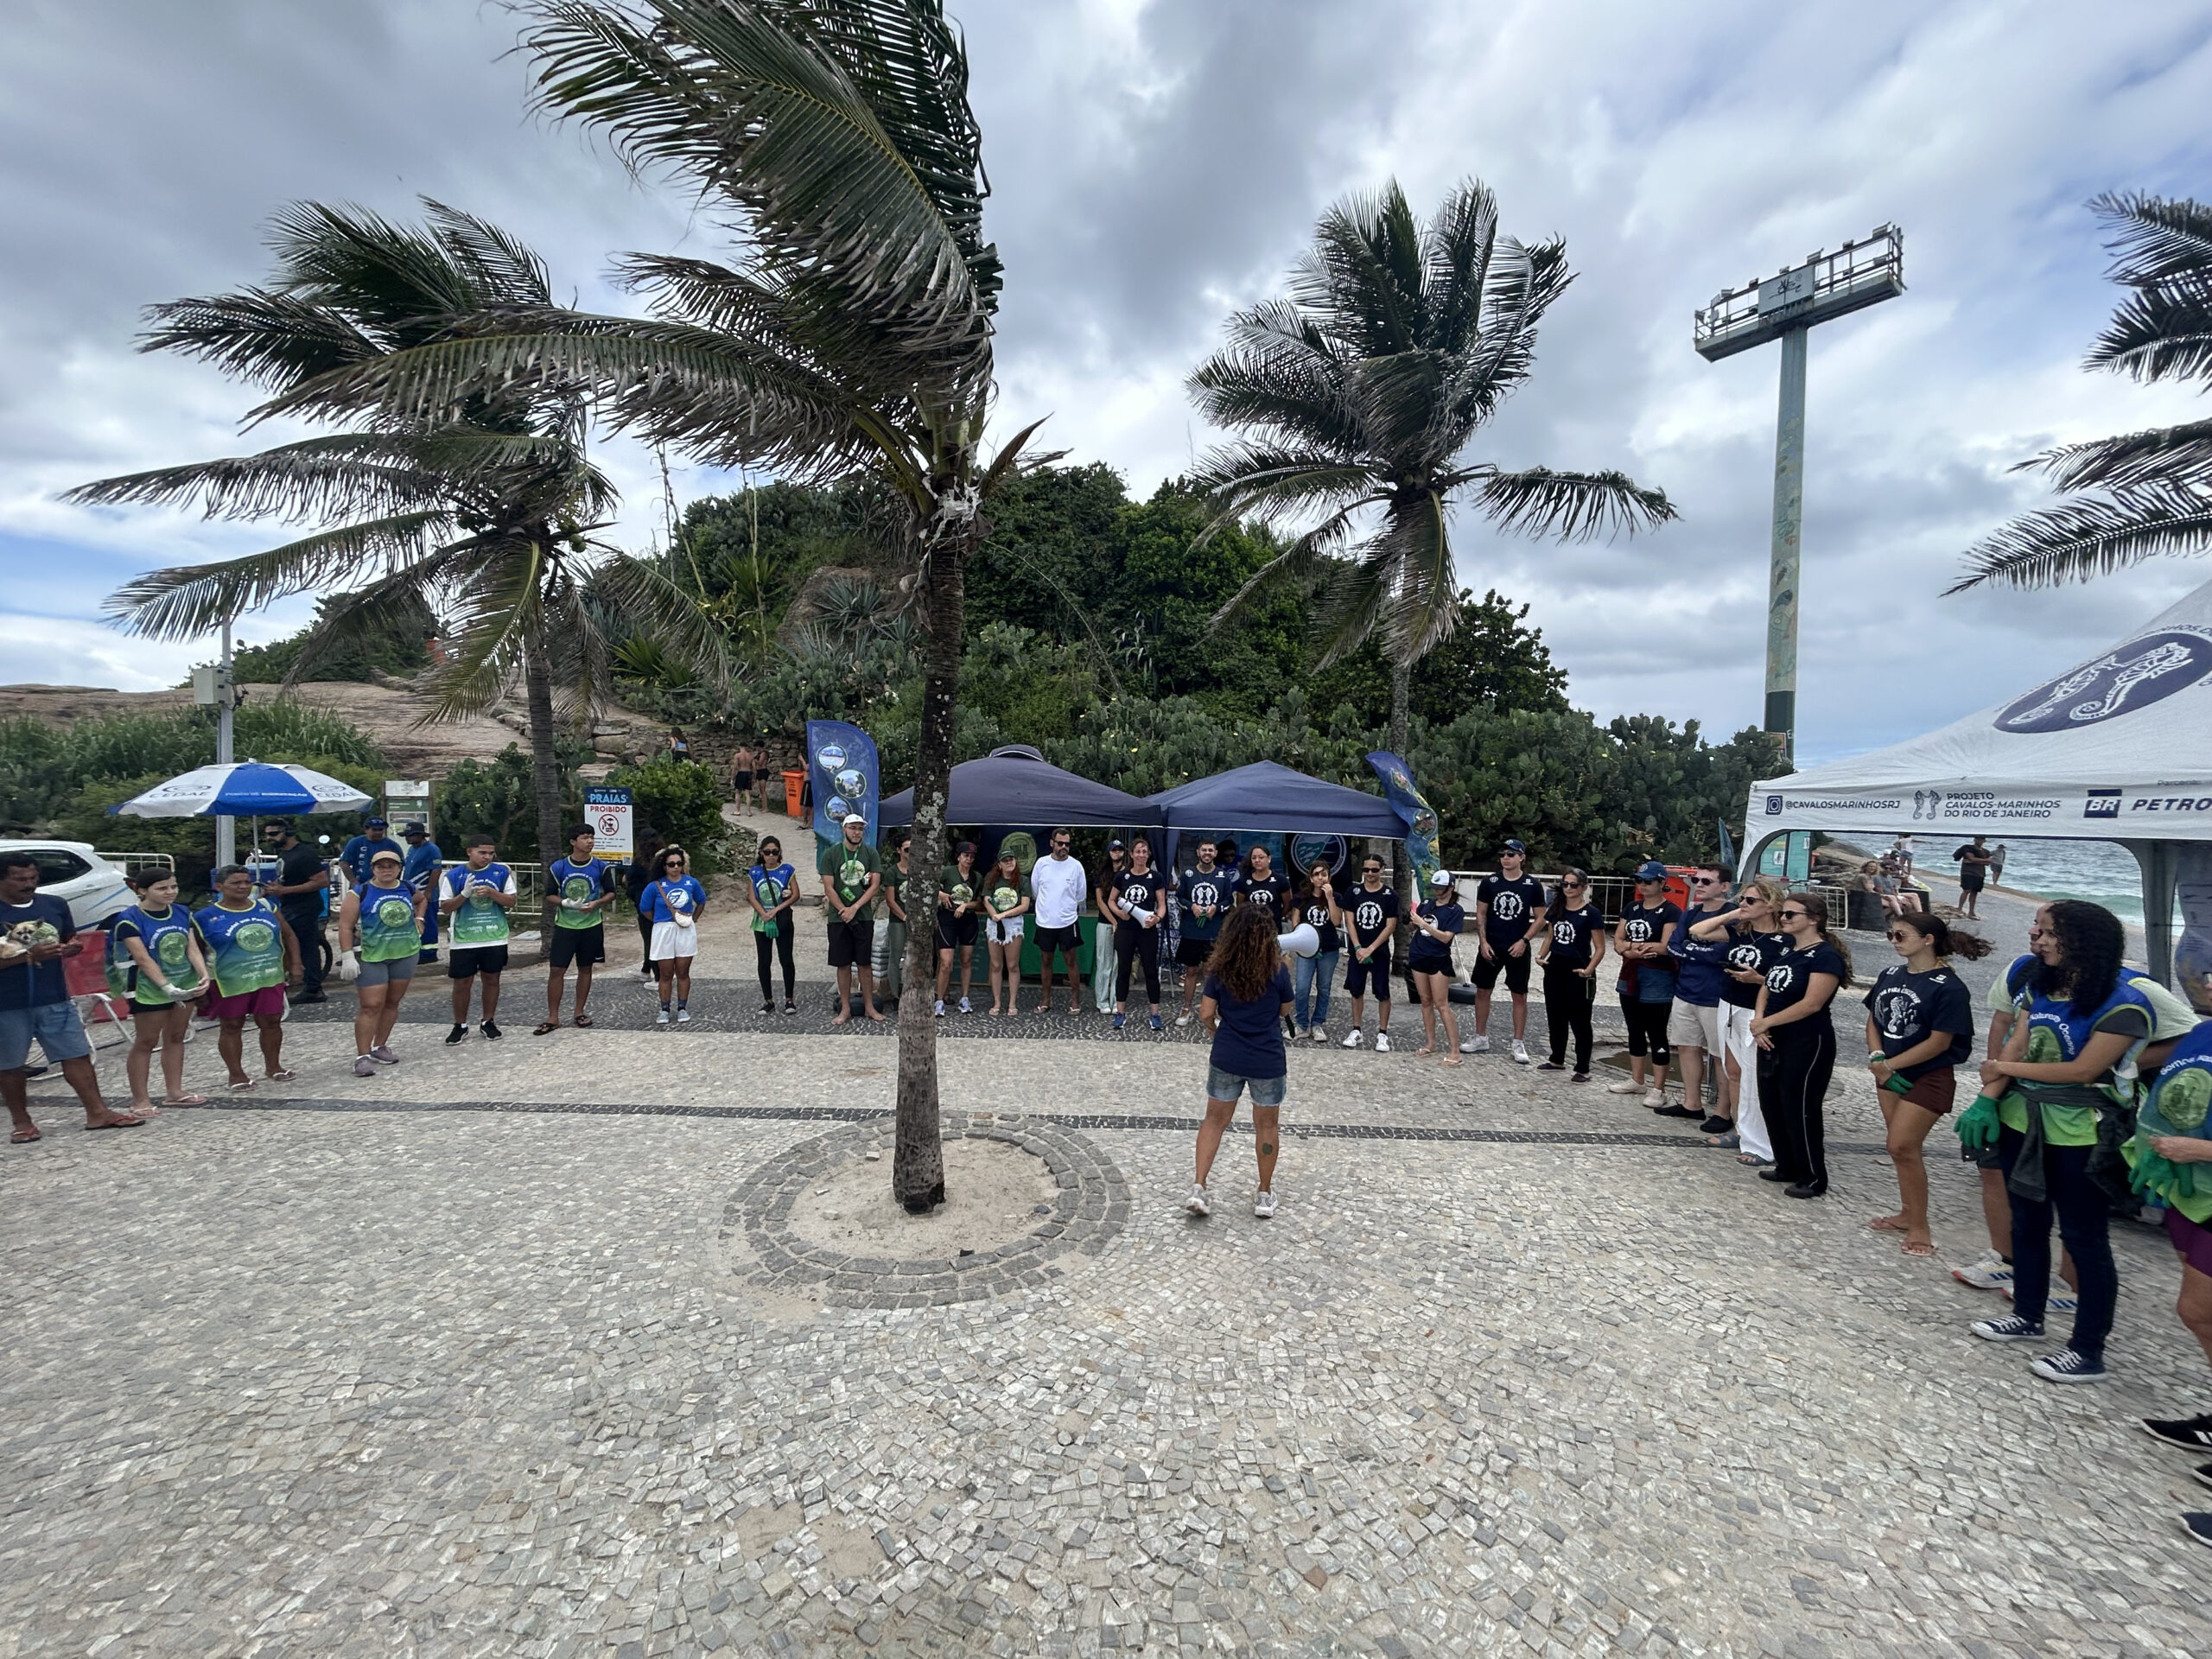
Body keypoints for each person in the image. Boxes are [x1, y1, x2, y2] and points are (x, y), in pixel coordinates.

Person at [1960, 900, 2151, 1382]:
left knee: (2084, 1237)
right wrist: (1987, 1100)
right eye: (2039, 930)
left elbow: (2083, 1070)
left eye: (2048, 932)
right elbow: (2018, 1042)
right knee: (2027, 1222)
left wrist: (2001, 1068)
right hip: (2023, 1121)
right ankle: (2028, 1314)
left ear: (2083, 941)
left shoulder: (2124, 1003)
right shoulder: (2040, 986)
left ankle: (2087, 1349)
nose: (2038, 939)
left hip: (2082, 1132)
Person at [2127, 1020, 2212, 1545]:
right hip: (2191, 1192)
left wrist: (2200, 1151)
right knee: (2198, 1313)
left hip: (2200, 1174)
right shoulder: (2204, 1031)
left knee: (2199, 1309)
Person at [1864, 909, 1989, 1256]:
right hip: (1888, 1071)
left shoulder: (1949, 987)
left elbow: (1940, 1042)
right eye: (1891, 935)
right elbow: (1874, 1019)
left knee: (1903, 1145)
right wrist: (1878, 1058)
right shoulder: (1890, 974)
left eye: (1901, 935)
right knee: (1900, 1149)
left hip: (1927, 1075)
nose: (1894, 941)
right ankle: (1908, 1213)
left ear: (1928, 940)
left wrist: (1889, 1066)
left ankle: (1920, 1226)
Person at [3, 852, 147, 1141]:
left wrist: (72, 947)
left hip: (54, 995)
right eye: (19, 879)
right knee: (9, 1064)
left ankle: (98, 1112)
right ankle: (22, 1122)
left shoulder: (54, 904)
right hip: (6, 1003)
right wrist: (27, 957)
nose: (29, 884)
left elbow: (69, 937)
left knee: (76, 1054)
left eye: (33, 877)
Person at [1187, 903, 1294, 1220]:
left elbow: (1206, 1012)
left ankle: (1199, 1186)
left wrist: (1214, 1030)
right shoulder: (1278, 969)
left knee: (1214, 1121)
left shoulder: (1219, 969)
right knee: (1267, 1126)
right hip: (1267, 1057)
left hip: (1228, 1053)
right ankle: (1264, 1193)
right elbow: (1285, 1009)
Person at [1751, 890, 1849, 1199]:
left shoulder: (1825, 956)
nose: (1784, 918)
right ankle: (1787, 1164)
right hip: (1773, 1034)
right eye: (1783, 913)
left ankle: (1812, 1175)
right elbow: (1767, 986)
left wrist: (1767, 1022)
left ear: (1814, 919)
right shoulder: (1788, 950)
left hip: (1806, 1038)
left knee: (1800, 1105)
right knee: (1772, 1101)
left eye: (1791, 914)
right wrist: (1759, 1020)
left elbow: (1812, 1003)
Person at [1688, 877, 1789, 1167]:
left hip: (1756, 1010)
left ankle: (1762, 1139)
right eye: (1742, 899)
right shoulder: (1740, 932)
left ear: (1770, 906)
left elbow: (1788, 980)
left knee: (1755, 1075)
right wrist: (1733, 913)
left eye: (1750, 901)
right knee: (1733, 1071)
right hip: (1729, 1003)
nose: (1743, 904)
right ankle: (1740, 1128)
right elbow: (1697, 930)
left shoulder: (1784, 940)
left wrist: (1759, 979)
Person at [194, 862, 304, 1092]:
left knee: (271, 1021)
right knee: (232, 1024)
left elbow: (288, 935)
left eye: (247, 882)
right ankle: (236, 1074)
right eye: (235, 883)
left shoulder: (266, 906)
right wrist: (198, 985)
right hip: (228, 979)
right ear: (219, 886)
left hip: (267, 975)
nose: (243, 887)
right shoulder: (204, 917)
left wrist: (295, 963)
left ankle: (274, 1066)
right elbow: (195, 952)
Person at [108, 868, 211, 1114]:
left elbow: (191, 947)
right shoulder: (129, 919)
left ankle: (175, 1092)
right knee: (146, 1041)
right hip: (148, 987)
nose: (170, 892)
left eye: (173, 886)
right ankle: (140, 1099)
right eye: (162, 888)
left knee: (176, 1037)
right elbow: (142, 957)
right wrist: (166, 986)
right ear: (142, 891)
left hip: (184, 981)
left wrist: (203, 973)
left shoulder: (182, 912)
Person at [337, 846, 426, 1077]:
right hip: (372, 955)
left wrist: (419, 918)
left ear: (399, 868)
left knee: (392, 1002)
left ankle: (380, 1046)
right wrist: (347, 955)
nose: (386, 870)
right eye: (381, 866)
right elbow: (345, 926)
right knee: (371, 1005)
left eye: (391, 865)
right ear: (373, 869)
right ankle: (362, 1056)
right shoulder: (361, 892)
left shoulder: (407, 887)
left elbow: (422, 899)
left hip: (405, 953)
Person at [1663, 865, 1735, 1128]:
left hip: (1716, 996)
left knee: (1720, 1055)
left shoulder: (1732, 915)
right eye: (1696, 880)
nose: (1699, 885)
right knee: (1686, 1047)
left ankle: (1723, 1112)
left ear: (1724, 886)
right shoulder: (1691, 913)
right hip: (1685, 991)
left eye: (1707, 881)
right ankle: (1691, 1103)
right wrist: (1696, 952)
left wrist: (1691, 951)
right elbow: (1673, 946)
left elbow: (1723, 954)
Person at [1465, 838, 1545, 1062]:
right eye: (1502, 854)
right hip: (1492, 944)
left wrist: (1524, 941)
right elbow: (1481, 913)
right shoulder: (1490, 882)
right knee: (1483, 990)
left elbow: (1541, 917)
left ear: (1521, 857)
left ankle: (1518, 1042)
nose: (1506, 858)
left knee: (1519, 994)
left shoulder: (1532, 884)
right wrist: (1483, 942)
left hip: (1517, 945)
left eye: (1511, 854)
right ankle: (1480, 1036)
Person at [1610, 861, 1681, 1108]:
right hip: (1631, 973)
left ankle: (1659, 1088)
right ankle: (1637, 1079)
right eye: (1639, 880)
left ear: (1662, 883)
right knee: (1634, 1028)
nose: (1642, 885)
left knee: (1657, 1031)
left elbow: (1665, 946)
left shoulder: (1671, 911)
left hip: (1658, 976)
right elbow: (1618, 940)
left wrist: (1630, 947)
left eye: (1648, 881)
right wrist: (1631, 949)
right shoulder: (1631, 908)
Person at [540, 825, 618, 1034]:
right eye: (585, 838)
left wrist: (597, 903)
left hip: (591, 925)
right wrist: (565, 903)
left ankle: (579, 1012)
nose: (590, 841)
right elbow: (549, 894)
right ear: (573, 842)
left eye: (592, 837)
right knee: (557, 970)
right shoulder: (559, 867)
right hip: (565, 926)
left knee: (585, 968)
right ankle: (553, 1016)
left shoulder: (600, 866)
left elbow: (611, 892)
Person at [439, 835, 516, 1042]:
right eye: (482, 852)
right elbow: (445, 907)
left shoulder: (501, 872)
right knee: (462, 982)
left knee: (492, 979)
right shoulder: (454, 875)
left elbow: (511, 901)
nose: (487, 857)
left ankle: (488, 1021)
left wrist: (492, 892)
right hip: (465, 937)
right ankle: (460, 1025)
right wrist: (464, 894)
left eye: (491, 853)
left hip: (494, 935)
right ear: (469, 852)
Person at [1535, 868, 1605, 1079]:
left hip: (1578, 968)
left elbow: (1600, 947)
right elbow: (1550, 937)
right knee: (1555, 1015)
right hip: (1556, 965)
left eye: (1573, 885)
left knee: (1580, 1019)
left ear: (1583, 887)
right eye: (1565, 884)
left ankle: (1583, 1067)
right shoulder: (1556, 908)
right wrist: (1541, 956)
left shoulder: (1591, 913)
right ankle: (1557, 1058)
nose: (1568, 888)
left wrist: (1589, 970)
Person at [817, 812, 882, 1024]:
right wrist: (843, 909)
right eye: (853, 828)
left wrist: (854, 908)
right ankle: (845, 1008)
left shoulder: (871, 853)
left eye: (860, 829)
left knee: (864, 963)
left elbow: (874, 886)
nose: (857, 832)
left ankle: (869, 1007)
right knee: (843, 963)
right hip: (838, 918)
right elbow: (829, 886)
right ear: (844, 829)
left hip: (862, 916)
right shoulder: (831, 854)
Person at [258, 817, 330, 1003]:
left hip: (305, 907)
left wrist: (284, 890)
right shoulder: (284, 854)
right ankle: (305, 983)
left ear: (289, 832)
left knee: (304, 946)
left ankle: (312, 987)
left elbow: (322, 881)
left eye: (274, 834)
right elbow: (286, 878)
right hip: (290, 906)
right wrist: (273, 888)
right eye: (267, 835)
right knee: (297, 944)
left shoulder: (304, 854)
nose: (270, 838)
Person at [1173, 839, 1237, 1027]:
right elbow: (1179, 898)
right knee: (1191, 971)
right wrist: (1191, 906)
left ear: (1215, 853)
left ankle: (1213, 1010)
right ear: (1198, 852)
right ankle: (1187, 1007)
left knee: (1211, 972)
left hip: (1214, 932)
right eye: (1204, 850)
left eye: (1210, 850)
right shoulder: (1188, 874)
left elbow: (1228, 901)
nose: (1207, 853)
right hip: (1191, 931)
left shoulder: (1223, 876)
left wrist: (1216, 909)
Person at [642, 845, 709, 1025]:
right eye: (671, 864)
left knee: (683, 971)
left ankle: (682, 1007)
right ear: (664, 866)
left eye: (679, 863)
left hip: (685, 929)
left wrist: (693, 919)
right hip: (664, 930)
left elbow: (701, 901)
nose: (676, 867)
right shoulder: (655, 886)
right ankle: (664, 1009)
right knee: (665, 973)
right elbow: (645, 908)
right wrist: (659, 921)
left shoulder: (691, 882)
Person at [1339, 853, 1398, 1052]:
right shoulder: (1353, 892)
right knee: (1356, 990)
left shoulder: (1390, 895)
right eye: (1366, 869)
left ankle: (1383, 1033)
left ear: (1382, 869)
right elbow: (1350, 921)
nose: (1370, 873)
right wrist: (1358, 947)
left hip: (1379, 951)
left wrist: (1371, 948)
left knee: (1382, 992)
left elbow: (1390, 926)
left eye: (1374, 869)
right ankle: (1356, 1029)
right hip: (1358, 950)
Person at [1108, 837, 1166, 1033]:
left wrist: (1157, 918)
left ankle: (1155, 1014)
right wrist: (1119, 914)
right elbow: (1111, 900)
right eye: (1138, 852)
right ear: (1131, 854)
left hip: (1147, 931)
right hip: (1126, 930)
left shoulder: (1156, 877)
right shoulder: (1122, 876)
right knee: (1123, 971)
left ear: (1148, 855)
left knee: (1151, 971)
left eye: (1144, 852)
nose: (1141, 855)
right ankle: (1120, 1013)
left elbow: (1162, 904)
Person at [1027, 829, 1088, 1016]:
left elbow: (1081, 895)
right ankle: (1045, 1000)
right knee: (1046, 961)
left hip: (1068, 921)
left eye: (1067, 844)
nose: (1064, 847)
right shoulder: (1041, 864)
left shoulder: (1076, 866)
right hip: (1045, 922)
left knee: (1071, 961)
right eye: (1060, 843)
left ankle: (1075, 1000)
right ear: (1051, 843)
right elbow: (1035, 891)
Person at [1407, 868, 1464, 1065]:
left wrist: (1424, 924)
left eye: (1441, 888)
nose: (1437, 892)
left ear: (1451, 888)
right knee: (1425, 1000)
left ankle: (1455, 1051)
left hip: (1438, 958)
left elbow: (1446, 937)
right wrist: (1411, 921)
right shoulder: (1427, 904)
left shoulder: (1455, 910)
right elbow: (1414, 927)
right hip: (1419, 954)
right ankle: (1431, 1042)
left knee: (1442, 1003)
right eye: (1435, 888)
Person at [748, 834, 800, 1015]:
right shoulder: (755, 872)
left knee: (786, 959)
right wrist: (764, 914)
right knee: (764, 960)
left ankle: (789, 999)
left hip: (782, 919)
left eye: (775, 852)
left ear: (780, 853)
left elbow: (796, 895)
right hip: (762, 920)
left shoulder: (787, 870)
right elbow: (751, 896)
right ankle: (768, 1000)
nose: (771, 855)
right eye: (767, 852)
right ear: (761, 853)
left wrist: (775, 910)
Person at [1292, 859, 1342, 1044]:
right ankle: (1301, 1024)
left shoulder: (1336, 897)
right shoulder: (1301, 898)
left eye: (1324, 874)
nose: (1321, 878)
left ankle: (1317, 1023)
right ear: (1311, 878)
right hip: (1307, 950)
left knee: (1324, 987)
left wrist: (1329, 898)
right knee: (1302, 987)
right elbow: (1296, 922)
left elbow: (1336, 921)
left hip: (1328, 949)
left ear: (1329, 877)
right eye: (1317, 874)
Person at [981, 848, 1032, 1017]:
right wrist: (994, 915)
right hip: (995, 923)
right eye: (1005, 860)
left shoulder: (1023, 881)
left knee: (1012, 965)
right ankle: (997, 1002)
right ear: (999, 864)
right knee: (996, 965)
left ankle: (1012, 1002)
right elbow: (986, 900)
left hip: (1013, 923)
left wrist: (1004, 914)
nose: (1009, 862)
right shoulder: (991, 879)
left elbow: (1024, 905)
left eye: (1011, 859)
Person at [934, 842, 982, 1017]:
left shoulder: (977, 877)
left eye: (972, 856)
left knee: (966, 960)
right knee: (946, 962)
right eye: (966, 856)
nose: (969, 859)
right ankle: (939, 1000)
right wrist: (941, 894)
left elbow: (979, 902)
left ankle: (965, 997)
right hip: (947, 918)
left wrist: (966, 905)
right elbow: (930, 885)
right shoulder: (947, 872)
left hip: (967, 919)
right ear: (959, 857)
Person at [876, 832, 914, 1004]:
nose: (910, 853)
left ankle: (912, 991)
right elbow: (890, 901)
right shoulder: (893, 872)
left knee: (915, 957)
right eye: (907, 849)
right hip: (899, 919)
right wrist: (905, 917)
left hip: (916, 919)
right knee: (895, 955)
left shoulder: (918, 870)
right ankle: (894, 994)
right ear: (899, 851)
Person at [1091, 841, 1129, 1016]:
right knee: (1104, 963)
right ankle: (1102, 1000)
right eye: (1114, 850)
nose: (1117, 853)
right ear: (1109, 852)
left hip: (1124, 923)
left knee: (1119, 964)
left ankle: (1116, 999)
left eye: (1120, 850)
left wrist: (1120, 922)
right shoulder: (1101, 874)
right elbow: (1100, 902)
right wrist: (1114, 921)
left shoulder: (1128, 873)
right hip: (1105, 922)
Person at [399, 820, 443, 963]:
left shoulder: (432, 849)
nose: (407, 838)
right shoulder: (412, 850)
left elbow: (436, 871)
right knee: (414, 922)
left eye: (410, 835)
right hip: (412, 894)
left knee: (428, 922)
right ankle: (416, 950)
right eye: (406, 836)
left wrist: (429, 892)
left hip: (425, 893)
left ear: (420, 835)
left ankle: (429, 953)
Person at [624, 830, 663, 978]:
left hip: (644, 904)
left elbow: (629, 879)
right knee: (658, 940)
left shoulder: (640, 862)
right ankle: (646, 969)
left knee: (649, 940)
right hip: (662, 904)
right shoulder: (664, 860)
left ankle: (658, 977)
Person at [336, 816, 396, 890]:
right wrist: (353, 881)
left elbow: (400, 864)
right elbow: (344, 863)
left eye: (380, 829)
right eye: (374, 830)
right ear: (366, 830)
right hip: (361, 885)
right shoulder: (356, 842)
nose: (378, 832)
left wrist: (394, 882)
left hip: (385, 886)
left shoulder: (391, 845)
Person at [1237, 845, 1291, 926]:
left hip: (1273, 926)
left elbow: (1288, 905)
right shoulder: (1244, 881)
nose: (1257, 860)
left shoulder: (1280, 880)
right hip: (1251, 927)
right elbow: (1240, 906)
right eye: (1254, 858)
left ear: (1269, 859)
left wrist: (1276, 917)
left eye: (1261, 857)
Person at [1953, 836, 1994, 919]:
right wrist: (1984, 860)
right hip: (1968, 872)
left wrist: (1976, 861)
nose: (1979, 841)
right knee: (1966, 890)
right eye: (1978, 839)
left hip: (1979, 874)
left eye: (1981, 839)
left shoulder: (1986, 851)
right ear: (1974, 840)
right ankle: (1959, 909)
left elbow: (1988, 863)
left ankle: (1971, 912)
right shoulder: (1968, 848)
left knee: (1975, 892)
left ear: (1984, 841)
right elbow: (1972, 858)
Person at [731, 742, 757, 808]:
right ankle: (748, 811)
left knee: (738, 792)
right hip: (748, 773)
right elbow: (754, 768)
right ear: (746, 747)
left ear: (740, 747)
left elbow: (735, 767)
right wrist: (754, 778)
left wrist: (732, 778)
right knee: (747, 793)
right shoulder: (751, 756)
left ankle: (737, 810)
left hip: (741, 772)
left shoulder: (737, 755)